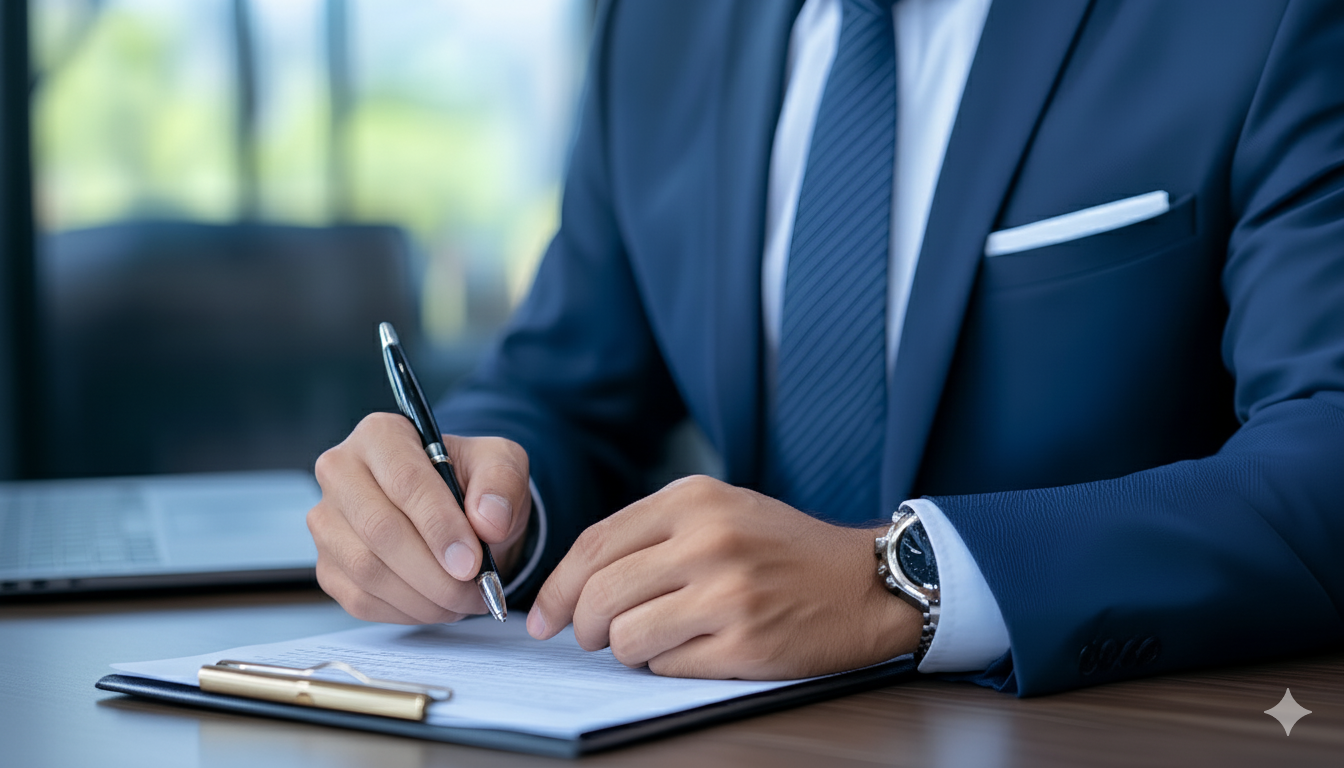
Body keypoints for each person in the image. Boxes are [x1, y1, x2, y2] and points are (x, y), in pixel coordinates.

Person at [306, 0, 1344, 695]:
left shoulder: (1263, 21)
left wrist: (899, 579)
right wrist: (486, 510)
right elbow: (566, 390)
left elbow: (1326, 455)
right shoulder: (656, 32)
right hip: (722, 728)